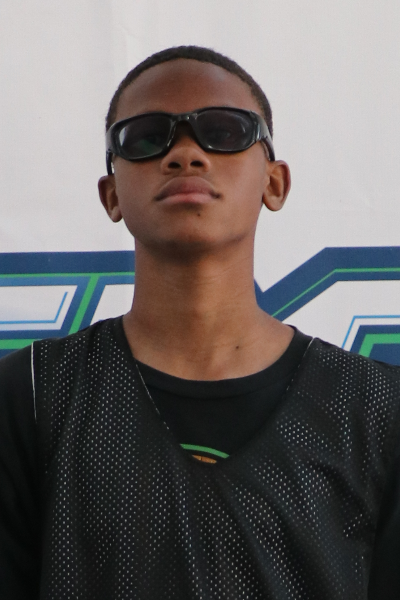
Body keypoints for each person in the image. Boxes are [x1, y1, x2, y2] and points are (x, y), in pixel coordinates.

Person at [1, 45, 400, 600]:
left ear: (274, 182)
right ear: (111, 194)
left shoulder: (379, 407)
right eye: (146, 137)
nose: (185, 154)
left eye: (224, 131)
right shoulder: (29, 396)